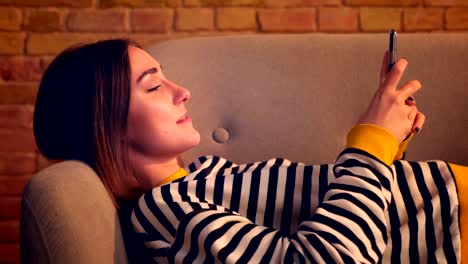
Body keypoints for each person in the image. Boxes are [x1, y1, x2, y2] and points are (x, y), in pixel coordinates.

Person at [32, 39, 467, 263]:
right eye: (154, 85)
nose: (182, 92)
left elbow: (358, 220)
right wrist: (373, 142)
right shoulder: (162, 211)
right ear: (106, 125)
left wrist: (390, 147)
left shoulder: (202, 177)